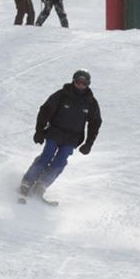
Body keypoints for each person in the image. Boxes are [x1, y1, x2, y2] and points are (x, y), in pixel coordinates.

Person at [20, 69, 102, 200]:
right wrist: (39, 130)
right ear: (73, 81)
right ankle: (27, 181)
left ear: (88, 84)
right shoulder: (62, 95)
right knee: (46, 156)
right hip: (55, 132)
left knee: (60, 161)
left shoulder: (91, 102)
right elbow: (45, 110)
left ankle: (42, 184)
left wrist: (88, 143)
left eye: (84, 83)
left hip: (72, 138)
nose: (80, 85)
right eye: (78, 82)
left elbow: (95, 123)